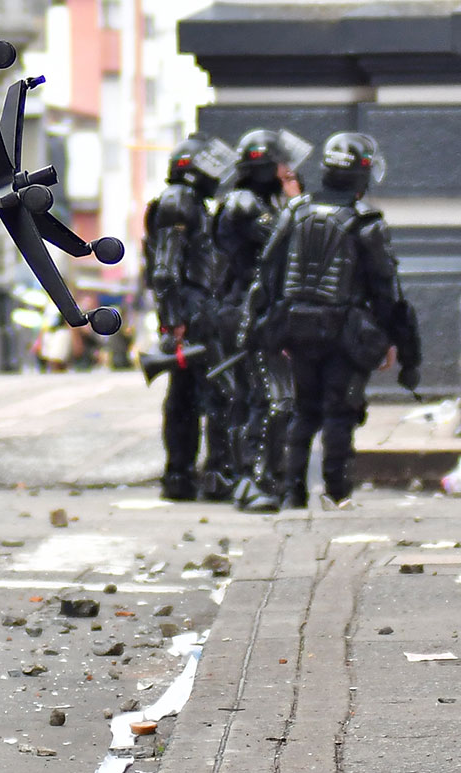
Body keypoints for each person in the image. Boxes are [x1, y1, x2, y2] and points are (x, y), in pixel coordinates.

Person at [253, 132, 421, 509]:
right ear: (362, 175)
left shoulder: (295, 212)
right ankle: (337, 492)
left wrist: (267, 326)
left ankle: (292, 492)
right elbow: (387, 292)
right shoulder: (366, 222)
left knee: (303, 410)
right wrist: (405, 351)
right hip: (344, 331)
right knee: (339, 413)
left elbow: (267, 272)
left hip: (294, 328)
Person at [213, 129, 303, 512]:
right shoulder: (247, 205)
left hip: (252, 306)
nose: (287, 171)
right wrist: (296, 203)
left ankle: (252, 478)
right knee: (271, 399)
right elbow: (286, 245)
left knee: (253, 398)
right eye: (280, 166)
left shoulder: (252, 200)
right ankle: (252, 479)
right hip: (252, 310)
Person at [142, 133, 231, 501]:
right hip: (193, 311)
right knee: (204, 396)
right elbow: (165, 269)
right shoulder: (179, 201)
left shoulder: (189, 202)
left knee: (193, 397)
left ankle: (185, 475)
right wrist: (175, 319)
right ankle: (195, 474)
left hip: (197, 308)